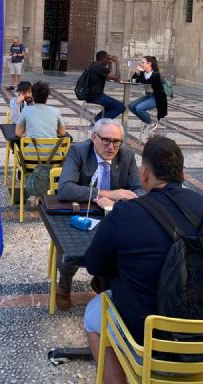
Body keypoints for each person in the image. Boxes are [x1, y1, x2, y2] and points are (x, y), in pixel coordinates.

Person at [83, 136, 203, 384]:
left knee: (93, 312)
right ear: (182, 173)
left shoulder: (125, 214)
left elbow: (94, 264)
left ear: (144, 174)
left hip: (152, 347)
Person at [56, 119, 142, 311]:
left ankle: (103, 280)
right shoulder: (79, 151)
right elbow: (65, 189)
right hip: (85, 214)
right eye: (106, 140)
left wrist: (116, 202)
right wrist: (107, 194)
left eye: (116, 141)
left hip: (114, 216)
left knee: (128, 246)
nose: (111, 147)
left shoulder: (127, 157)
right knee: (71, 246)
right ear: (94, 137)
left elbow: (140, 191)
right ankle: (64, 284)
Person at [129, 55, 167, 134]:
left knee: (139, 108)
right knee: (132, 106)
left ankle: (151, 124)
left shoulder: (156, 74)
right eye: (141, 63)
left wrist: (141, 72)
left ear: (149, 63)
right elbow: (134, 81)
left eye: (143, 63)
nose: (141, 64)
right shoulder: (144, 73)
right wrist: (137, 73)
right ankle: (147, 122)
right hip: (148, 96)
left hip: (158, 98)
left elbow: (146, 81)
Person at [86, 51, 125, 122]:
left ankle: (95, 119)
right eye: (107, 59)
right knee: (121, 107)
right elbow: (117, 78)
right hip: (96, 96)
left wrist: (110, 63)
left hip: (90, 95)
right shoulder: (99, 67)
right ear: (103, 59)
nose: (108, 60)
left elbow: (107, 75)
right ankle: (97, 121)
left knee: (111, 106)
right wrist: (116, 62)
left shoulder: (94, 65)